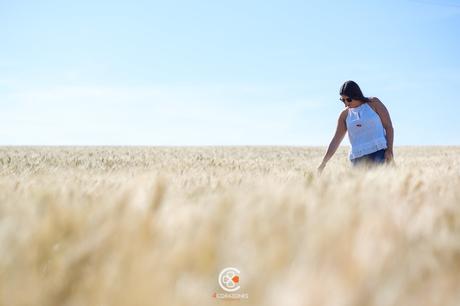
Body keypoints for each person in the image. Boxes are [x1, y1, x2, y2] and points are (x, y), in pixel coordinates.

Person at [318, 80, 394, 172]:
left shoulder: (374, 103)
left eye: (348, 99)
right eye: (343, 100)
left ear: (356, 95)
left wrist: (389, 150)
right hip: (357, 159)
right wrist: (323, 163)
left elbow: (388, 126)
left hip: (379, 154)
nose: (346, 103)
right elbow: (336, 140)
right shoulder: (344, 115)